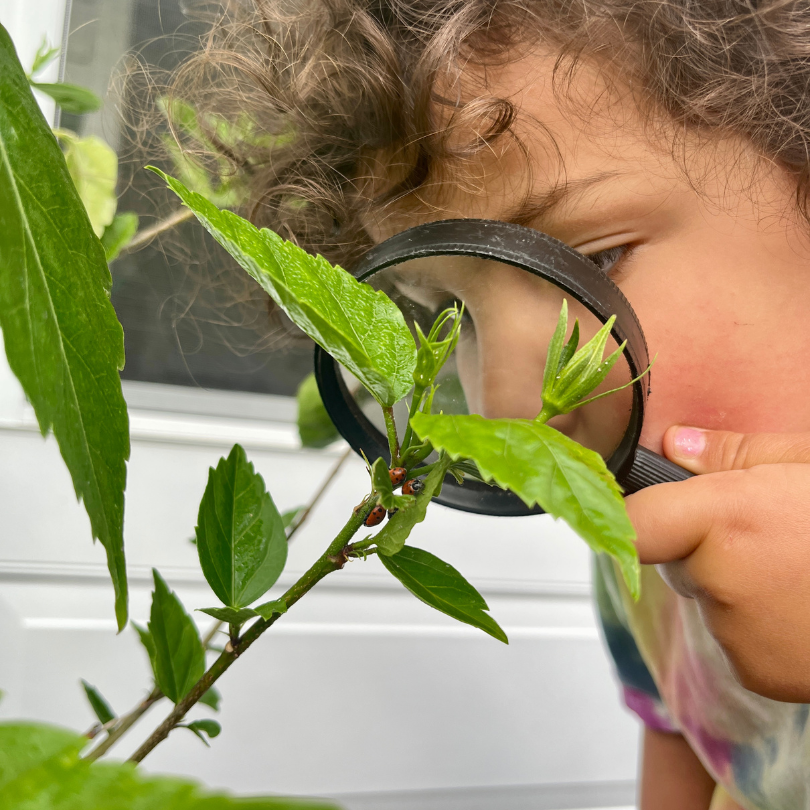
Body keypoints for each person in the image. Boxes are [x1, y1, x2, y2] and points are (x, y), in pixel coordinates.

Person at [155, 1, 810, 806]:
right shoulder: (638, 560)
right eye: (446, 314)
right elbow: (688, 749)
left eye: (597, 260)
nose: (505, 409)